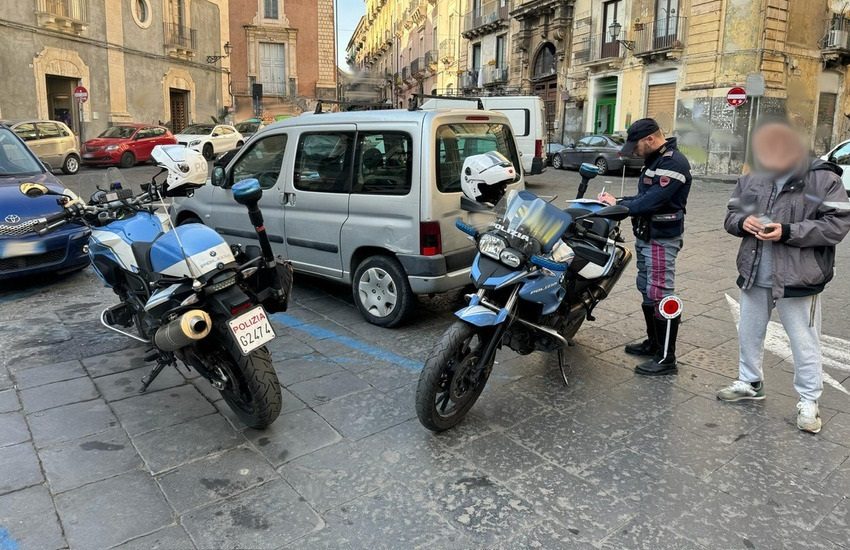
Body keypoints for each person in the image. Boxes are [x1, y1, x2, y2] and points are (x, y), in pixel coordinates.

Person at [716, 121, 850, 434]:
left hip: (799, 276)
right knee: (749, 332)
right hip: (754, 270)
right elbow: (732, 213)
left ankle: (808, 400)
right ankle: (750, 382)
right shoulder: (755, 176)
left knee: (804, 341)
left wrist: (789, 231)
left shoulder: (821, 179)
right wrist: (741, 222)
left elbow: (837, 225)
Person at [598, 118, 692, 376]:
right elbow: (643, 197)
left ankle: (666, 358)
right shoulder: (656, 161)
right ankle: (654, 344)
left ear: (650, 139)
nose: (635, 152)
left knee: (661, 292)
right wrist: (617, 200)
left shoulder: (673, 162)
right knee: (647, 288)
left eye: (636, 146)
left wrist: (621, 208)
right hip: (647, 234)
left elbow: (653, 201)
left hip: (662, 237)